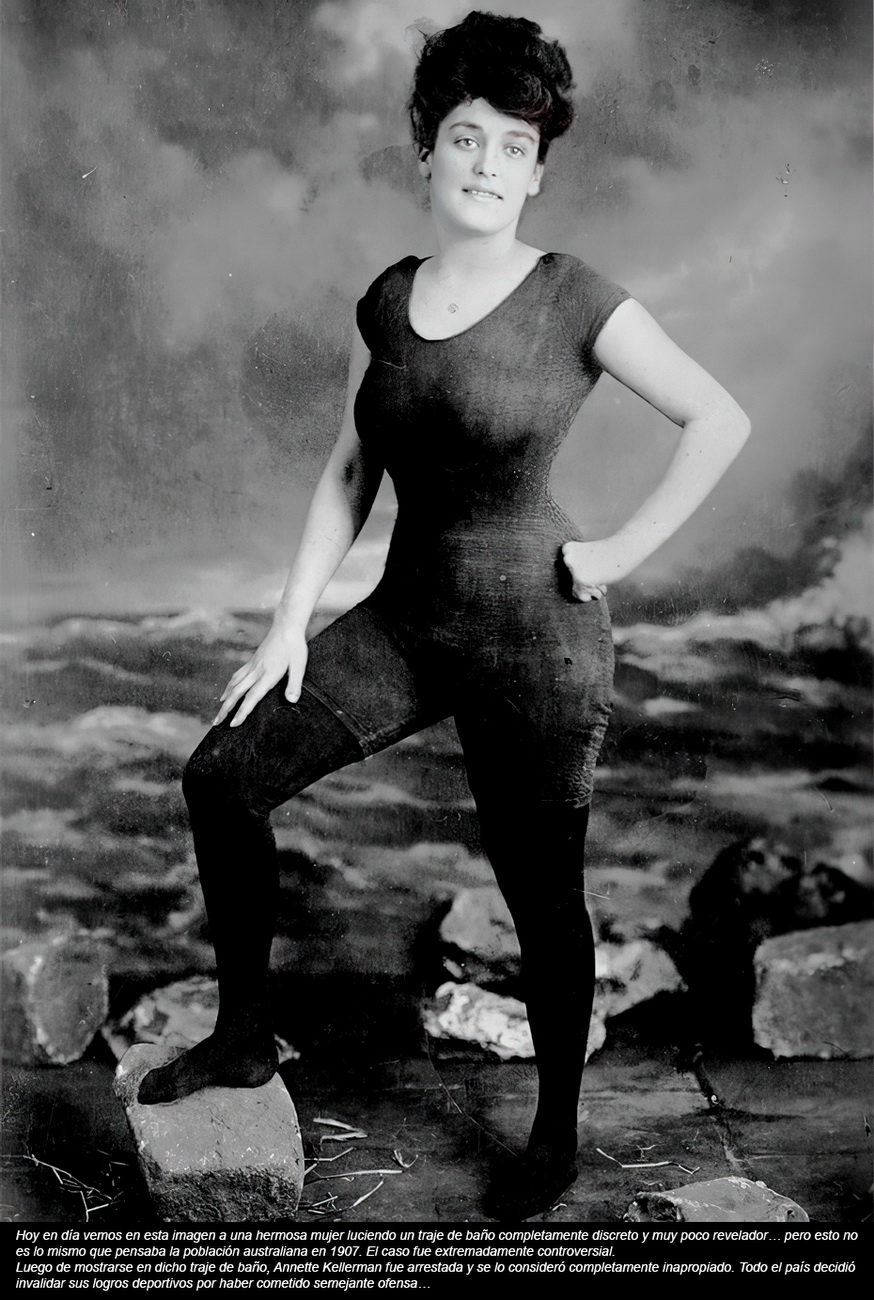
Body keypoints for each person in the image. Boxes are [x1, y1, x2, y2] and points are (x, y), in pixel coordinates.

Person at [138, 11, 750, 1221]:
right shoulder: (386, 301)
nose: (486, 163)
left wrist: (618, 550)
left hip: (538, 641)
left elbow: (717, 417)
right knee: (221, 777)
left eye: (514, 146)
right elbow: (348, 472)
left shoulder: (573, 296)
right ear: (426, 151)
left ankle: (556, 1132)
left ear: (537, 172)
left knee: (540, 895)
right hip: (406, 625)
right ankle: (244, 1037)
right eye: (466, 137)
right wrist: (287, 624)